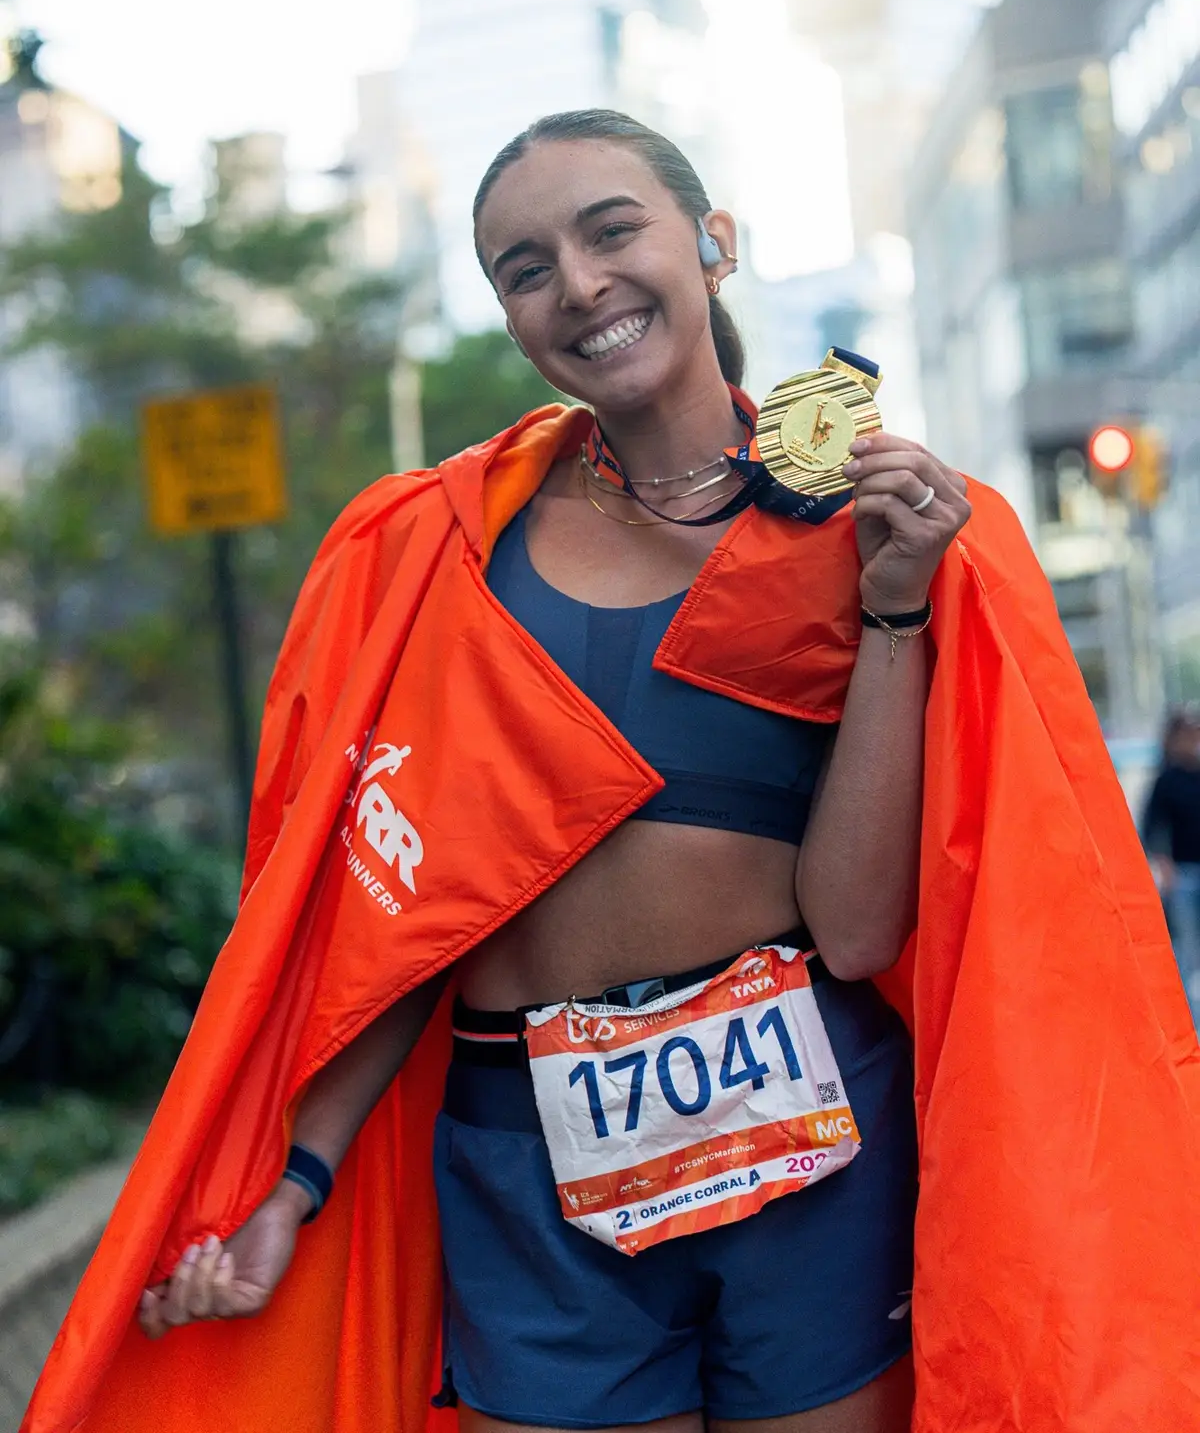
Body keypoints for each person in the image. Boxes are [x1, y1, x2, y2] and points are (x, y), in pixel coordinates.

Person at [26, 114, 1200, 1433]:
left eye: (611, 228)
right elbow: (399, 916)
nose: (578, 284)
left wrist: (891, 610)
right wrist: (298, 1178)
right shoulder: (441, 552)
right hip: (526, 1157)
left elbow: (864, 925)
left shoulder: (879, 525)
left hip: (811, 1132)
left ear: (713, 245)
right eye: (524, 267)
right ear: (513, 317)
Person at [1145, 707, 1200, 1001]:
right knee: (1187, 951)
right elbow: (1152, 828)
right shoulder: (1167, 780)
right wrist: (1166, 869)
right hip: (1184, 875)